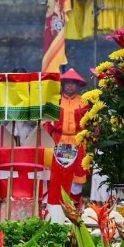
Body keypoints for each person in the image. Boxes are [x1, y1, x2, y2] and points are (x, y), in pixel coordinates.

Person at [44, 68, 91, 200]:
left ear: (78, 85)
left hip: (78, 142)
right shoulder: (55, 101)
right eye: (67, 82)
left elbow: (91, 124)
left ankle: (74, 207)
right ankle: (55, 204)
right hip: (58, 140)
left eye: (73, 83)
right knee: (56, 173)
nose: (70, 85)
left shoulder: (84, 102)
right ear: (63, 84)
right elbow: (47, 124)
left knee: (77, 175)